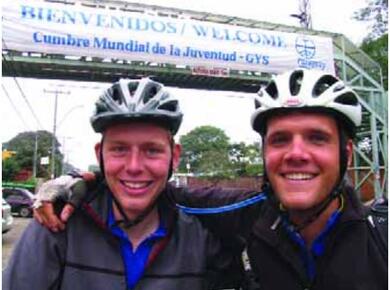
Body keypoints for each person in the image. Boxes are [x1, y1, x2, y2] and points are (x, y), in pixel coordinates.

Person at [31, 69, 388, 290]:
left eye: (317, 138)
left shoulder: (380, 237)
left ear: (347, 153)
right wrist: (77, 184)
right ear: (264, 154)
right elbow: (143, 184)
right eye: (280, 140)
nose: (296, 153)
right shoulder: (239, 215)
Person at [3, 78, 245, 290]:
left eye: (152, 150)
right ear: (100, 155)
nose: (134, 166)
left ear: (175, 156)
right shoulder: (56, 223)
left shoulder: (203, 236)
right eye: (119, 149)